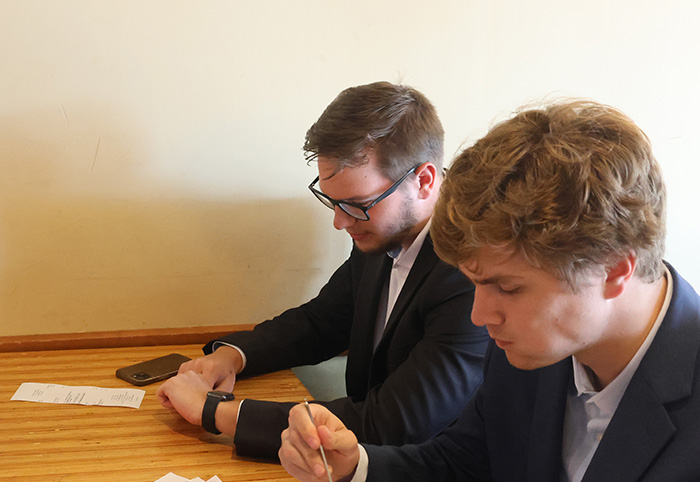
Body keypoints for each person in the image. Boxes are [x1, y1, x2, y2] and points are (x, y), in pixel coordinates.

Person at [279, 99, 700, 482]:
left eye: (508, 287)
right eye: (477, 283)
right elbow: (466, 461)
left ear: (613, 269)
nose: (481, 315)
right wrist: (356, 467)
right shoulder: (532, 347)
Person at [156, 81, 490, 460]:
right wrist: (231, 357)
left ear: (424, 181)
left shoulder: (474, 272)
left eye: (356, 204)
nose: (339, 222)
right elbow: (323, 321)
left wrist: (214, 412)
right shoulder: (379, 230)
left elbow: (396, 422)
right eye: (332, 202)